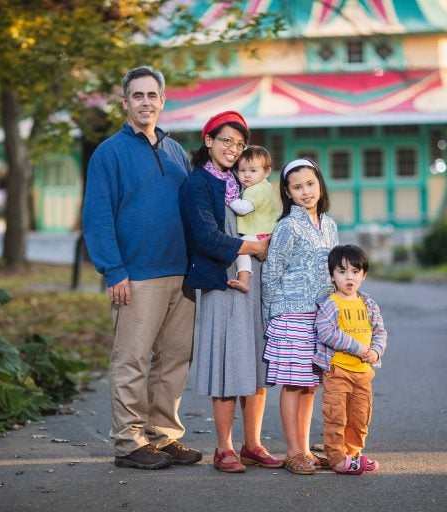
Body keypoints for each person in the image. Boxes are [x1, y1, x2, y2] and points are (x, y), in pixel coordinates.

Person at [82, 66, 201, 470]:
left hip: (181, 273)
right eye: (138, 95)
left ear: (163, 101)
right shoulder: (109, 153)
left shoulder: (175, 151)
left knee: (173, 360)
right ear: (125, 102)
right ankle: (130, 443)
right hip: (136, 274)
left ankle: (162, 435)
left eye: (153, 95)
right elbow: (98, 216)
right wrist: (113, 269)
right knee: (132, 360)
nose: (146, 102)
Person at [179, 111, 281, 473]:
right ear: (208, 141)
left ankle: (252, 443)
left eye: (239, 144)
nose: (234, 150)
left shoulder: (242, 182)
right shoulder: (197, 184)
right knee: (225, 363)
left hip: (255, 283)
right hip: (221, 280)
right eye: (226, 141)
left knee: (256, 361)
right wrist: (254, 249)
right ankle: (223, 447)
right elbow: (205, 237)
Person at [261, 158, 338, 475]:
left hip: (321, 316)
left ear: (320, 184)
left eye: (310, 184)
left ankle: (305, 448)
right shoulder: (287, 226)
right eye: (297, 187)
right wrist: (269, 318)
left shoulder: (330, 224)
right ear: (288, 193)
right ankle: (293, 452)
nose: (306, 191)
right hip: (291, 314)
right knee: (293, 385)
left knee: (310, 385)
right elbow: (271, 273)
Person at [314, 244, 387, 474]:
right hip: (338, 371)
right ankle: (337, 458)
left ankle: (353, 454)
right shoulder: (330, 304)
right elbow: (326, 332)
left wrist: (375, 351)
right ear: (332, 276)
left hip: (363, 373)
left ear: (363, 275)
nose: (349, 277)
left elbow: (380, 332)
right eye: (342, 272)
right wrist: (358, 348)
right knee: (336, 416)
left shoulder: (368, 303)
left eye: (355, 272)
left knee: (360, 416)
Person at [227, 146, 280, 293]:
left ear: (266, 172)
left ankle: (244, 280)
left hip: (260, 234)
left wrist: (229, 199)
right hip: (265, 232)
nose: (246, 175)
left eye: (253, 171)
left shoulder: (258, 189)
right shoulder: (263, 186)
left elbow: (244, 208)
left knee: (242, 249)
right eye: (242, 171)